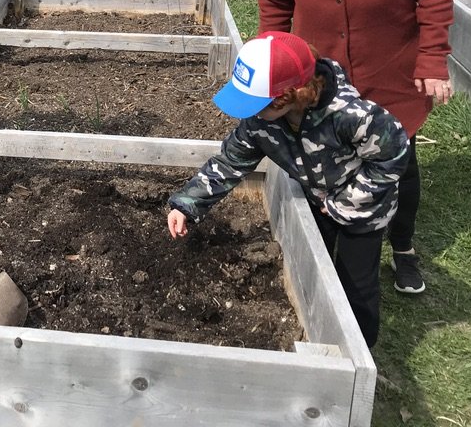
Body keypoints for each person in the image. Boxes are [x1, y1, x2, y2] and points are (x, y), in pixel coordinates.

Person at [258, 0, 454, 295]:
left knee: (398, 162)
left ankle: (402, 247)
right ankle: (335, 245)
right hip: (322, 83)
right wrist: (272, 67)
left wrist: (431, 60)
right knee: (328, 161)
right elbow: (274, 5)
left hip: (391, 74)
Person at [167, 32, 409, 347]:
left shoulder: (350, 115)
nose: (248, 113)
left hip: (363, 209)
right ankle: (322, 332)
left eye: (254, 104)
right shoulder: (261, 122)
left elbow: (394, 155)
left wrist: (344, 204)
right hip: (316, 198)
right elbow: (229, 163)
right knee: (315, 269)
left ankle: (358, 355)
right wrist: (186, 204)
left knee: (356, 285)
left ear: (284, 98)